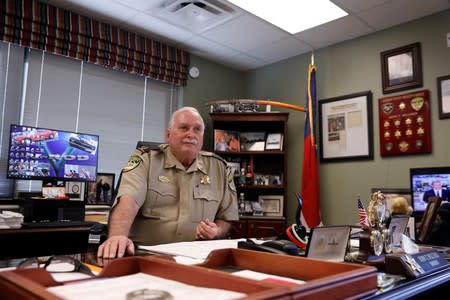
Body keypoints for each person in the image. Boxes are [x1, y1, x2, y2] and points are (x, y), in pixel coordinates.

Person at [97, 106, 238, 258]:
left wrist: (216, 230)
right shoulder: (146, 159)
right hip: (145, 256)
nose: (191, 134)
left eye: (197, 129)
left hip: (196, 259)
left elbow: (226, 217)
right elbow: (128, 201)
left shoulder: (219, 168)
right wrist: (118, 237)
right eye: (184, 128)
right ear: (168, 134)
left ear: (202, 137)